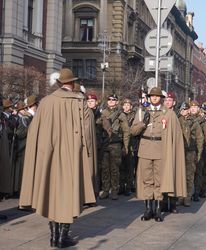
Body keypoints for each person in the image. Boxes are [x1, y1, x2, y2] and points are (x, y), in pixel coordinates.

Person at [19, 68, 97, 248]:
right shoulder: (80, 102)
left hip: (49, 156)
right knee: (70, 194)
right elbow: (87, 132)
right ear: (72, 82)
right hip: (72, 156)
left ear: (60, 83)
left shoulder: (45, 102)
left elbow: (34, 132)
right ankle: (63, 236)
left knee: (52, 193)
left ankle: (53, 236)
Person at [131, 87, 186, 222]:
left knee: (159, 181)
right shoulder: (141, 111)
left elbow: (176, 134)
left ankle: (158, 210)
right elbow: (133, 131)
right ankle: (148, 209)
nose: (154, 98)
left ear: (161, 98)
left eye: (157, 96)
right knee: (147, 180)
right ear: (149, 97)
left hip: (161, 150)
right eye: (152, 96)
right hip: (145, 149)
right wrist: (143, 124)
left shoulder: (168, 113)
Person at [97, 94, 129, 200]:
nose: (111, 101)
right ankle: (106, 190)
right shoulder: (102, 113)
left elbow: (126, 131)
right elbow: (97, 127)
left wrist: (126, 146)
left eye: (113, 100)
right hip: (105, 143)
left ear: (117, 102)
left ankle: (115, 190)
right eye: (109, 99)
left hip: (116, 144)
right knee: (105, 168)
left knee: (115, 168)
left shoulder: (121, 114)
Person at [178, 102, 203, 206]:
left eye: (185, 109)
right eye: (182, 110)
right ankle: (179, 197)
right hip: (179, 151)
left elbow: (199, 138)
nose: (184, 111)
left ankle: (187, 197)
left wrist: (199, 153)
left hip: (191, 151)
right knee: (179, 175)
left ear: (188, 110)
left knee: (189, 175)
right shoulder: (176, 120)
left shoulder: (194, 122)